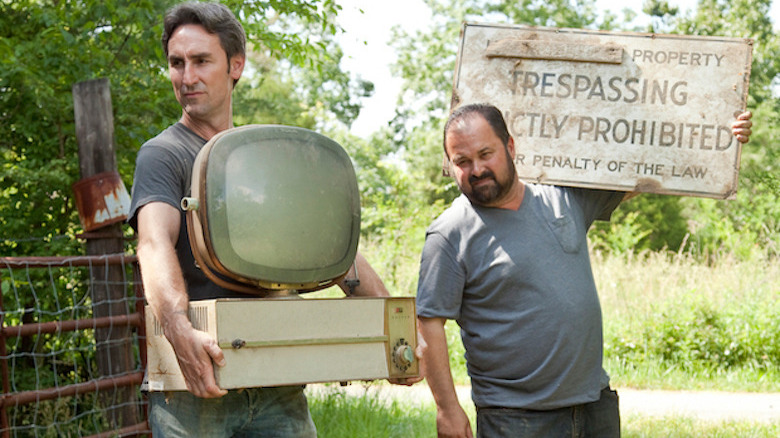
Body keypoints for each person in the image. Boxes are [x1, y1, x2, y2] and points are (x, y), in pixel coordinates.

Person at [128, 2, 409, 436]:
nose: (187, 78)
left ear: (235, 65)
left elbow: (328, 248)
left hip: (277, 382)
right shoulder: (162, 154)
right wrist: (178, 330)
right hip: (198, 387)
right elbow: (153, 243)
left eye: (202, 61)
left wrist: (398, 336)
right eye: (176, 63)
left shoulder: (257, 159)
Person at [415, 103, 752, 438]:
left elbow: (646, 173)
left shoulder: (562, 198)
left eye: (485, 154)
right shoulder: (449, 234)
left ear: (510, 146)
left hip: (594, 407)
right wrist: (447, 408)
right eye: (462, 161)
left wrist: (721, 137)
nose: (476, 169)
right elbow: (429, 322)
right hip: (516, 418)